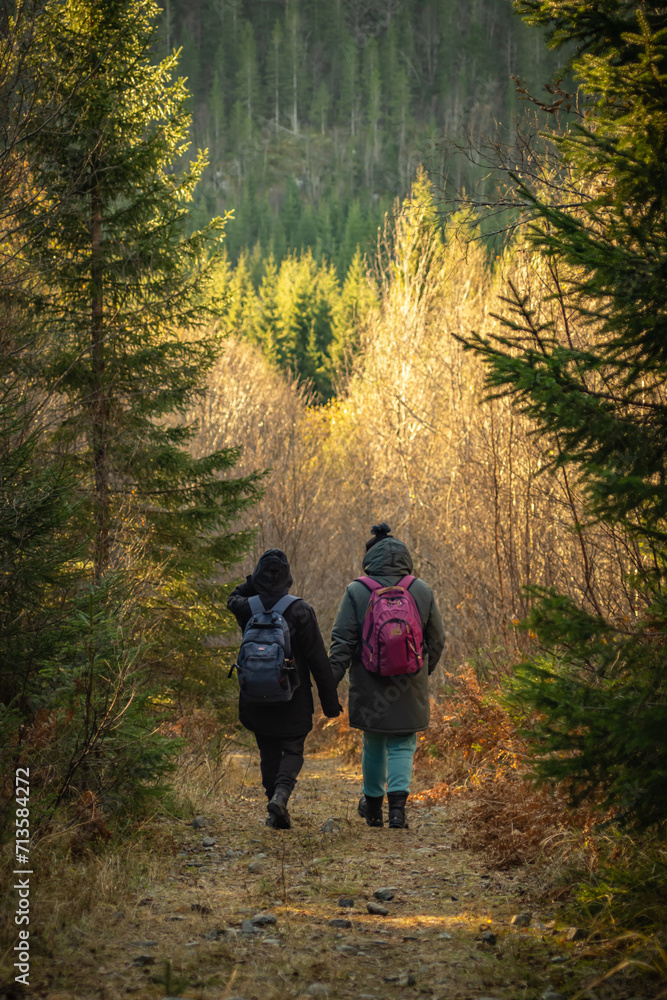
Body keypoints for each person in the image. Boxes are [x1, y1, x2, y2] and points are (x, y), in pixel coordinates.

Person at [329, 523, 445, 829]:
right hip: (408, 682)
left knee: (374, 741)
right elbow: (438, 640)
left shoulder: (357, 590)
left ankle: (374, 811)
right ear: (405, 558)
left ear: (371, 558)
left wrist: (330, 680)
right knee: (403, 743)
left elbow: (342, 640)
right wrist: (421, 672)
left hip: (369, 681)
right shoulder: (421, 589)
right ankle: (398, 813)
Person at [228, 548, 341, 829]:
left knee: (268, 751)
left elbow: (232, 597)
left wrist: (253, 583)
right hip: (293, 695)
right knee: (292, 750)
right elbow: (318, 660)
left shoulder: (246, 607)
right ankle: (280, 795)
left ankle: (273, 809)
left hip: (255, 696)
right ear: (288, 577)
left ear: (257, 576)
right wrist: (330, 704)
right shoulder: (300, 609)